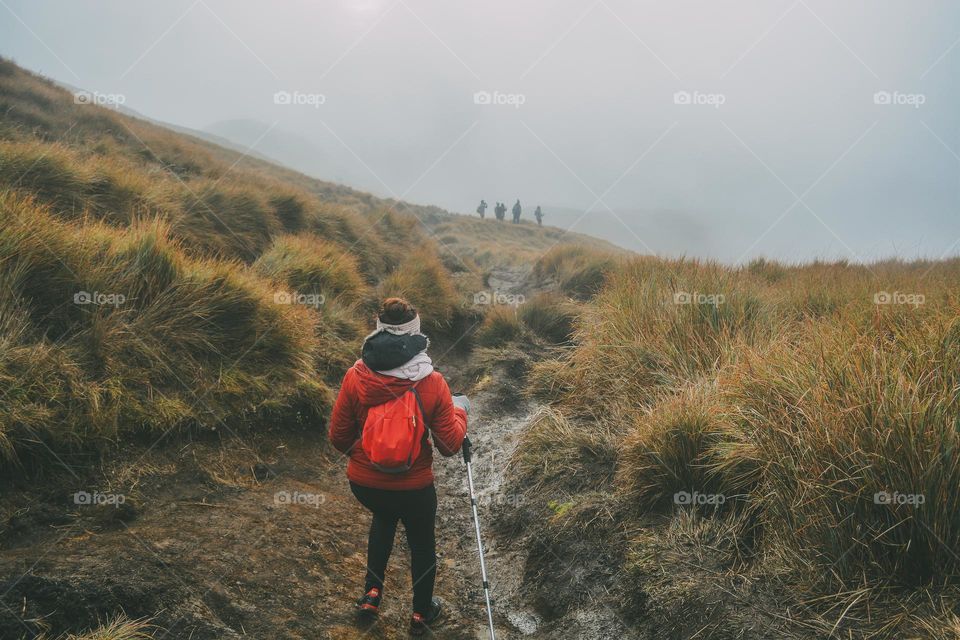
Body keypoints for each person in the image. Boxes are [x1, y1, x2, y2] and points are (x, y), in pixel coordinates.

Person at [329, 298, 469, 636]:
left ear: (377, 331)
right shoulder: (432, 382)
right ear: (415, 332)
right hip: (414, 489)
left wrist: (368, 459)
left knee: (384, 516)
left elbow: (338, 437)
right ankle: (421, 613)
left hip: (365, 486)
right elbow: (450, 445)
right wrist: (461, 411)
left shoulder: (355, 376)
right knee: (421, 542)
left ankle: (371, 596)